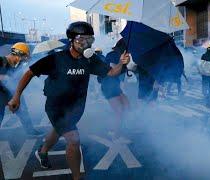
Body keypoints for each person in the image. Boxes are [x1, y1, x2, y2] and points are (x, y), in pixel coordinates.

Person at [8, 21, 130, 180]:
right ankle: (77, 177)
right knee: (73, 139)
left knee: (58, 130)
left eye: (89, 40)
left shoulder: (90, 60)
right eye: (81, 39)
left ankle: (43, 151)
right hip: (56, 107)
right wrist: (16, 95)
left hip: (76, 108)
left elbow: (111, 72)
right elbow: (29, 73)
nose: (85, 44)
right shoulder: (57, 58)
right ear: (71, 40)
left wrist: (122, 63)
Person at [0, 42, 43, 136]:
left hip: (11, 92)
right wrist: (3, 77)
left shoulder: (17, 65)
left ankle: (30, 131)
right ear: (18, 55)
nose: (24, 62)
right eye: (23, 59)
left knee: (23, 110)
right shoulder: (1, 60)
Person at [97, 43, 130, 140]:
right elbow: (112, 71)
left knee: (127, 106)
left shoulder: (120, 56)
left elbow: (120, 72)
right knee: (119, 110)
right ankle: (116, 135)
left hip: (115, 86)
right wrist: (122, 63)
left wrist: (125, 65)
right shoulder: (113, 55)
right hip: (108, 86)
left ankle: (116, 129)